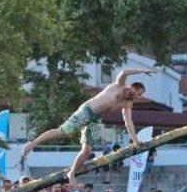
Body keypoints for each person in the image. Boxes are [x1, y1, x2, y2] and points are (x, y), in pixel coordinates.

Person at [22, 68, 155, 184]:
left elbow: (128, 122)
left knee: (87, 150)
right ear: (133, 88)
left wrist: (136, 140)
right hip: (87, 110)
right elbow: (124, 72)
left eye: (140, 95)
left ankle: (72, 173)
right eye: (138, 94)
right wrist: (143, 71)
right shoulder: (119, 85)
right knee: (64, 132)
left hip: (96, 119)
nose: (138, 97)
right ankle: (34, 143)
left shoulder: (127, 104)